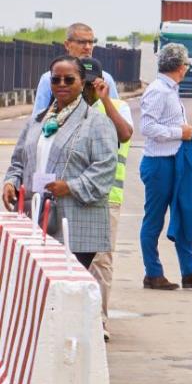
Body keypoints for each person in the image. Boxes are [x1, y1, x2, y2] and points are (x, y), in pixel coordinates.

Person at [4, 55, 118, 268]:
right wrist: (10, 182)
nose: (62, 84)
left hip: (76, 223)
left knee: (65, 288)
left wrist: (70, 187)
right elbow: (19, 160)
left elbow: (105, 169)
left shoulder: (97, 123)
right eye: (56, 80)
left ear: (82, 83)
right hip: (36, 217)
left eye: (69, 79)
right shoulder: (37, 121)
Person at [139, 44, 192, 290]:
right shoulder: (158, 91)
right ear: (181, 67)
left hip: (176, 161)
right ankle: (153, 272)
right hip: (159, 163)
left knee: (183, 212)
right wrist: (179, 132)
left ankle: (189, 271)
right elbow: (147, 128)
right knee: (154, 220)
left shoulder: (170, 89)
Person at [83, 57, 134, 340]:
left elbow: (125, 134)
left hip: (107, 198)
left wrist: (105, 101)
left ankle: (99, 320)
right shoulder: (71, 108)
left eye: (94, 83)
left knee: (101, 260)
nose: (89, 89)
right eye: (85, 83)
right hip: (74, 197)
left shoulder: (118, 107)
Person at [33, 23, 118, 114]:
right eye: (81, 42)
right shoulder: (50, 78)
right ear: (67, 45)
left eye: (91, 42)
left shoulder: (105, 79)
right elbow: (37, 119)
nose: (87, 47)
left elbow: (118, 114)